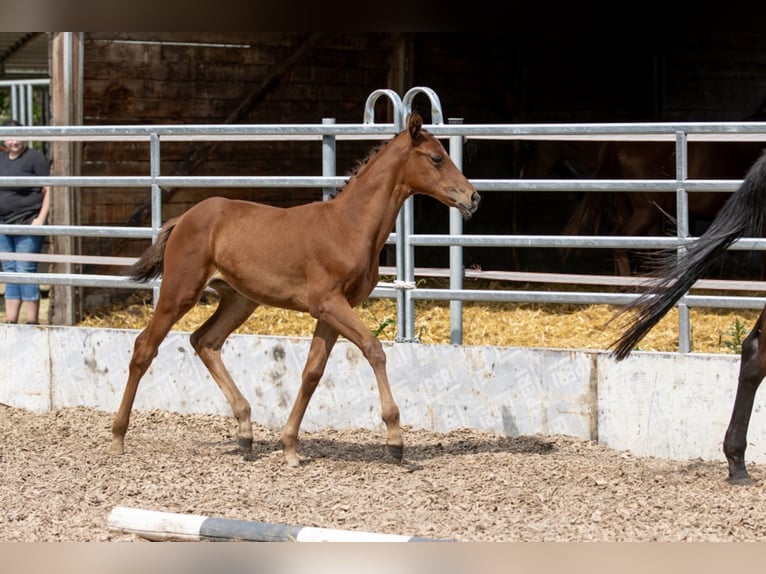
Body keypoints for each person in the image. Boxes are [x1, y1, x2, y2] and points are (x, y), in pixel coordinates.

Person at [0, 119, 51, 324]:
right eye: (9, 136)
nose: (14, 141)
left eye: (18, 135)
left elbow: (49, 188)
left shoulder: (35, 158)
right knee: (10, 271)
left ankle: (32, 322)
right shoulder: (1, 159)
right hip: (3, 224)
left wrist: (40, 218)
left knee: (25, 269)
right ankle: (11, 322)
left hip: (27, 221)